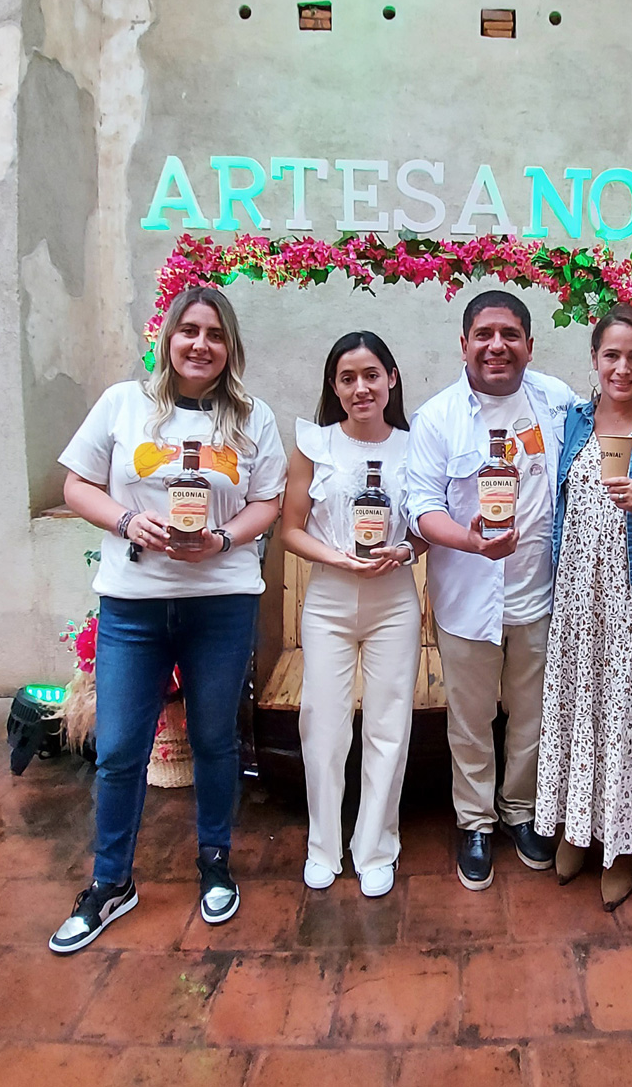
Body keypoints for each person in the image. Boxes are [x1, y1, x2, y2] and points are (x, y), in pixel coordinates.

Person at [50, 286, 288, 953]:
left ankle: (214, 859)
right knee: (121, 746)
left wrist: (219, 539)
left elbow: (268, 500)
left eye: (215, 333)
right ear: (168, 338)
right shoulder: (124, 404)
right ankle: (109, 881)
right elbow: (76, 484)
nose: (201, 344)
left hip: (221, 601)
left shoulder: (250, 418)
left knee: (214, 739)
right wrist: (128, 520)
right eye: (189, 330)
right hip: (133, 604)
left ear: (230, 347)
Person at [406, 289, 578, 890]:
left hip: (542, 596)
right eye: (483, 334)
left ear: (530, 345)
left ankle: (520, 811)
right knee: (472, 720)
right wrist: (470, 540)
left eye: (509, 334)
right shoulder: (438, 418)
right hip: (466, 603)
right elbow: (421, 507)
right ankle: (474, 822)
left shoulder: (558, 404)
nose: (496, 346)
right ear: (463, 344)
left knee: (532, 716)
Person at [534, 304, 632, 911]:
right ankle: (579, 827)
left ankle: (624, 844)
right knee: (581, 703)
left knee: (630, 714)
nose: (622, 368)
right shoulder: (574, 419)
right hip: (579, 591)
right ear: (594, 360)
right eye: (610, 355)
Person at [280, 332, 423, 899]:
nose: (361, 388)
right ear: (334, 387)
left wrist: (406, 551)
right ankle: (323, 845)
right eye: (347, 378)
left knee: (390, 724)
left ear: (391, 378)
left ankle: (376, 847)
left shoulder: (416, 447)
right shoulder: (314, 445)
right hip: (330, 599)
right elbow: (290, 529)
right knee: (323, 724)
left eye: (371, 374)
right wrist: (336, 556)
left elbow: (424, 528)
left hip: (393, 601)